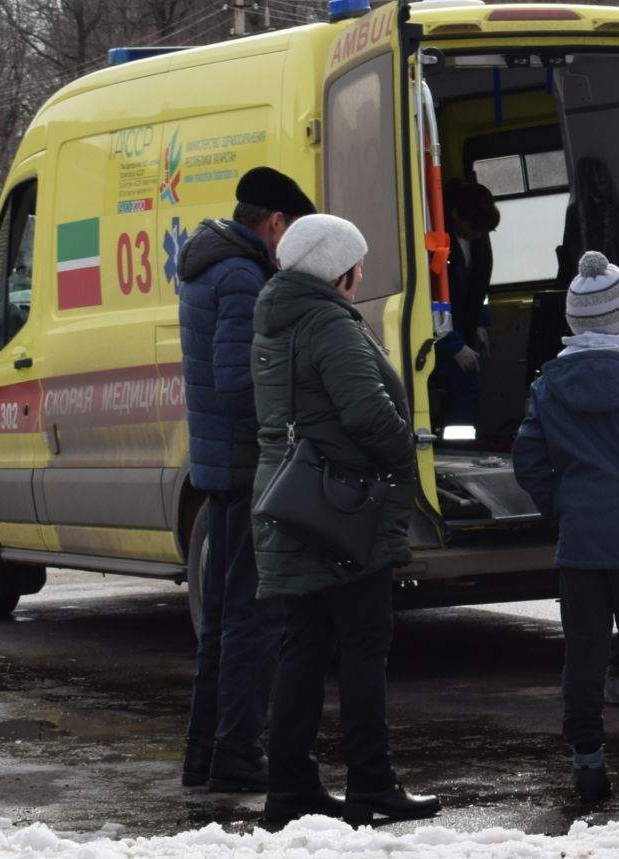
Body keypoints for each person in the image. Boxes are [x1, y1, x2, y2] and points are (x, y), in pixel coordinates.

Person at [251, 214, 440, 828]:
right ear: (340, 269)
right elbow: (366, 412)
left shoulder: (276, 318)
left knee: (304, 644)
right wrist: (400, 453)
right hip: (343, 505)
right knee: (363, 644)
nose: (362, 272)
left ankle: (291, 787)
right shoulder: (329, 322)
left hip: (292, 500)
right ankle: (371, 783)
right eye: (358, 262)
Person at [512, 250, 619, 802]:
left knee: (583, 654)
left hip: (581, 542)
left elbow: (528, 461)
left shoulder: (549, 384)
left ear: (574, 323)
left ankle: (587, 766)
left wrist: (561, 506)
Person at [178, 166, 314, 793]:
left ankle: (206, 755)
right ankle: (236, 755)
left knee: (226, 622)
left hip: (220, 467)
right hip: (243, 467)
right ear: (275, 223)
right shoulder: (240, 274)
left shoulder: (212, 264)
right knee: (253, 622)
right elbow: (238, 384)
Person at [433, 178, 499, 428]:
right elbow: (434, 298)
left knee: (469, 386)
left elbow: (480, 287)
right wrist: (453, 344)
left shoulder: (479, 239)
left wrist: (481, 321)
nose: (478, 234)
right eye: (474, 228)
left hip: (465, 324)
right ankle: (457, 449)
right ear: (455, 215)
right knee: (462, 385)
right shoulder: (437, 245)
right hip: (441, 336)